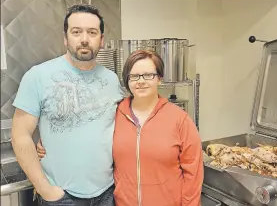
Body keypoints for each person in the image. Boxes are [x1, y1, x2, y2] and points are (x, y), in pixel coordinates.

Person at [38, 50, 204, 206]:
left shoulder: (179, 119)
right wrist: (50, 141)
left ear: (159, 78)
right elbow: (83, 130)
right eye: (134, 76)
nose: (141, 81)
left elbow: (193, 173)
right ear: (127, 80)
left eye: (148, 75)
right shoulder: (114, 113)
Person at [11, 4, 123, 206]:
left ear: (102, 39)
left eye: (92, 32)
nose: (84, 39)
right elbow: (20, 136)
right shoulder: (37, 76)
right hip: (62, 197)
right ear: (65, 38)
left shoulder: (112, 80)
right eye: (76, 32)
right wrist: (46, 190)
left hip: (107, 193)